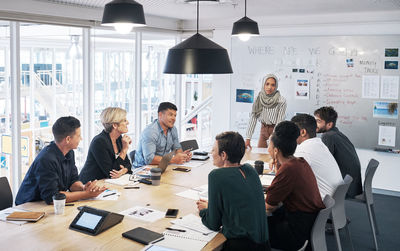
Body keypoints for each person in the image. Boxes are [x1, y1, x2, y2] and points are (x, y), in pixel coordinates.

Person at [196, 131, 270, 251]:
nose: (211, 153)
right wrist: (212, 207)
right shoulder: (250, 170)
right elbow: (237, 204)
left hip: (240, 246)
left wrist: (204, 211)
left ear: (223, 155)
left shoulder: (216, 175)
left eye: (213, 150)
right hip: (264, 246)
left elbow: (213, 224)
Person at [15, 116, 106, 205]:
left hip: (47, 204)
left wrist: (83, 188)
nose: (81, 138)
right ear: (68, 139)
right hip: (29, 206)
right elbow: (53, 197)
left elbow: (72, 181)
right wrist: (86, 194)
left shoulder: (69, 152)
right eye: (78, 136)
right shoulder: (47, 159)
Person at [266, 121, 324, 251]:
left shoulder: (288, 170)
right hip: (307, 225)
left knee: (252, 230)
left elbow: (269, 206)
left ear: (276, 150)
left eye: (268, 144)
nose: (267, 148)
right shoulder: (299, 162)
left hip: (296, 233)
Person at [314, 106, 362, 198]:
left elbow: (325, 163)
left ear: (329, 125)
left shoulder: (328, 136)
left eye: (319, 121)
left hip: (345, 188)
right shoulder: (337, 134)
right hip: (352, 185)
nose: (315, 124)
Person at [291, 114, 343, 198]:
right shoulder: (319, 145)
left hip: (321, 203)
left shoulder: (304, 150)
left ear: (303, 132)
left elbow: (287, 174)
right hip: (331, 200)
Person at [79, 107, 132, 184]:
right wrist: (124, 150)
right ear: (114, 125)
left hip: (106, 183)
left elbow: (128, 165)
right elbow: (111, 173)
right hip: (89, 185)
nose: (128, 122)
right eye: (124, 120)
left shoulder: (119, 138)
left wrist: (123, 171)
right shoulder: (99, 142)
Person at [134, 102, 191, 167]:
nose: (174, 118)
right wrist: (173, 159)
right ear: (160, 115)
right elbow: (149, 159)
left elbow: (177, 149)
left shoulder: (173, 129)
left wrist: (183, 156)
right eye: (170, 115)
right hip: (142, 169)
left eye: (175, 115)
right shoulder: (150, 132)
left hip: (162, 166)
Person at [245, 74, 287, 149]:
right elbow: (253, 118)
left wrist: (272, 138)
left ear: (276, 86)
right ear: (263, 84)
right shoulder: (258, 99)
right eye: (267, 84)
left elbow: (279, 122)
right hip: (263, 129)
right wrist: (248, 138)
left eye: (273, 85)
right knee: (260, 155)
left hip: (276, 131)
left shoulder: (281, 101)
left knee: (273, 156)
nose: (269, 87)